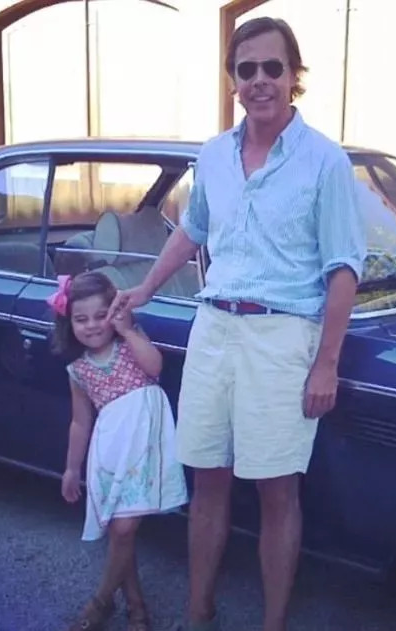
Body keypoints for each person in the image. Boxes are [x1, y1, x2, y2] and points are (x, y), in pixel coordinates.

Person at [108, 16, 367, 631]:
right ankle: (199, 613)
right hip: (213, 331)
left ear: (294, 75)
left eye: (272, 68)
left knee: (277, 491)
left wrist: (326, 364)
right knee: (208, 480)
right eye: (246, 69)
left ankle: (272, 625)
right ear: (233, 79)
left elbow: (343, 268)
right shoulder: (214, 155)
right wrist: (144, 287)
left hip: (282, 338)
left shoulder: (325, 162)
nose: (259, 81)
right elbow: (193, 229)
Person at [48, 271, 188, 631]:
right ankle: (136, 606)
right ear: (69, 323)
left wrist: (128, 330)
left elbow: (156, 367)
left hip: (145, 444)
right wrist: (71, 469)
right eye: (81, 319)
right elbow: (80, 423)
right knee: (119, 530)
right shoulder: (78, 369)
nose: (92, 325)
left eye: (101, 315)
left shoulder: (130, 341)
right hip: (111, 449)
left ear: (115, 312)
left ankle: (101, 600)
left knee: (125, 528)